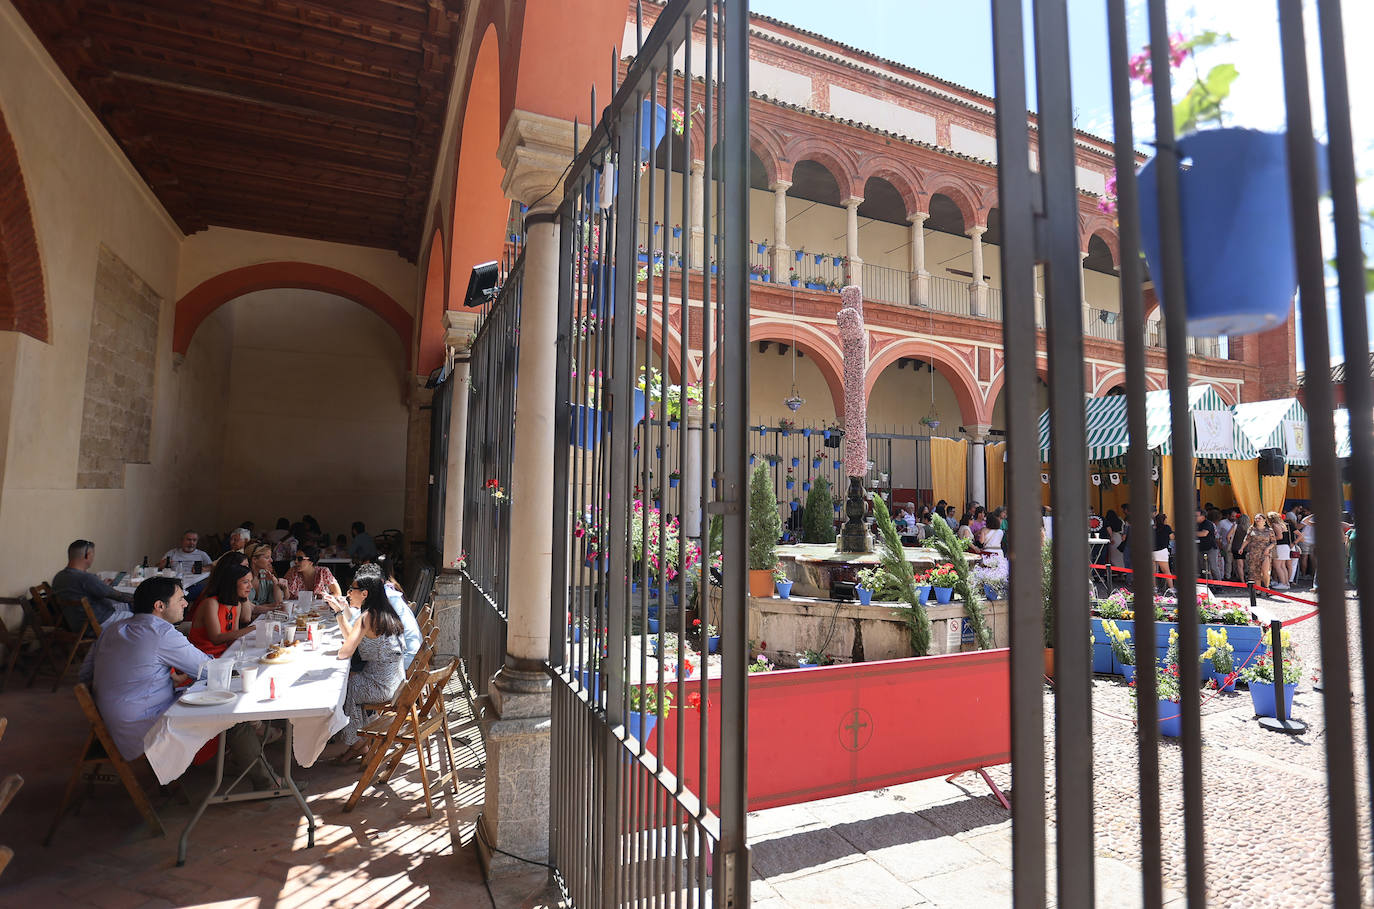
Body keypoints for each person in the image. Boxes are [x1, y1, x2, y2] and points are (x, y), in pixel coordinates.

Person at [80, 576, 276, 788]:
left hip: (114, 726)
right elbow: (208, 670)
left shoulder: (113, 628)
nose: (186, 603)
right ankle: (269, 782)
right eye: (181, 599)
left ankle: (240, 761)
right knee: (231, 712)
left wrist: (153, 681)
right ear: (159, 606)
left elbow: (84, 675)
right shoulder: (161, 632)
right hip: (146, 733)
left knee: (211, 696)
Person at [325, 575, 405, 764]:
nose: (348, 593)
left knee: (346, 687)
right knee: (351, 678)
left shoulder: (367, 617)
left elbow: (346, 652)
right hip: (396, 682)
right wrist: (339, 613)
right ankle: (360, 742)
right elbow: (354, 638)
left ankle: (355, 742)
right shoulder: (384, 611)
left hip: (381, 686)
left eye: (351, 589)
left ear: (365, 593)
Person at [53, 539, 133, 631]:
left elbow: (80, 589)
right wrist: (140, 598)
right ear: (87, 555)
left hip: (76, 624)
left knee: (125, 606)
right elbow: (119, 596)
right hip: (99, 623)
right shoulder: (86, 578)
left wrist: (100, 584)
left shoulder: (58, 577)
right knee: (138, 617)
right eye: (93, 555)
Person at [356, 560, 421, 669]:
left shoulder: (386, 599)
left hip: (405, 661)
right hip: (413, 655)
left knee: (356, 662)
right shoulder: (389, 592)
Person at [189, 564, 256, 657]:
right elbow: (216, 639)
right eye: (245, 582)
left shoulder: (237, 605)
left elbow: (232, 639)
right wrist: (253, 628)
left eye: (251, 582)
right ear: (232, 583)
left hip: (224, 654)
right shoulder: (211, 603)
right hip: (203, 657)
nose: (250, 586)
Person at [245, 543, 285, 614]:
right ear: (254, 559)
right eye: (267, 557)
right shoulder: (243, 578)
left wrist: (275, 581)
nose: (271, 560)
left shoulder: (265, 574)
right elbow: (246, 609)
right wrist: (267, 606)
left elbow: (278, 602)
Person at [1240, 513, 1276, 591]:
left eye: (1259, 518)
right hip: (1253, 553)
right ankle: (1258, 590)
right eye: (1256, 518)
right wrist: (1242, 548)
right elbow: (1247, 539)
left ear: (1264, 520)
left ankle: (1266, 588)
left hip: (1265, 553)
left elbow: (1273, 542)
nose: (1257, 520)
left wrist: (1268, 549)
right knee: (1255, 572)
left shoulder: (1269, 530)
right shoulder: (1252, 529)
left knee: (1265, 571)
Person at [1268, 511, 1292, 590]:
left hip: (1280, 547)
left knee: (1277, 566)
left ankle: (1283, 583)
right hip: (1285, 547)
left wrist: (1270, 539)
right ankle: (1286, 583)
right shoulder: (1282, 525)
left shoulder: (1275, 525)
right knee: (1282, 566)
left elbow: (1279, 537)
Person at [1152, 513, 1174, 591]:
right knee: (1166, 571)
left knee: (1153, 571)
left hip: (1152, 551)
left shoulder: (1152, 528)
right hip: (1162, 551)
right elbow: (1172, 537)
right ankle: (1171, 588)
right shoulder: (1167, 528)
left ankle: (1154, 587)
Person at [1196, 509, 1220, 580]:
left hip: (1211, 548)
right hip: (1201, 548)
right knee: (1205, 568)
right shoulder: (1196, 524)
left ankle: (1219, 585)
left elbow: (1204, 533)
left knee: (1213, 567)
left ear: (1203, 516)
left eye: (1196, 516)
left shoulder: (1208, 523)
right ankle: (1210, 585)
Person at [1217, 509, 1235, 584]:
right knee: (1228, 561)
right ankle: (1228, 576)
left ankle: (1234, 575)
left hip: (1236, 545)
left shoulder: (1237, 523)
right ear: (1228, 516)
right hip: (1225, 544)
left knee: (1236, 562)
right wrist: (1220, 544)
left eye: (1235, 516)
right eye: (1232, 516)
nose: (1234, 518)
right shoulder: (1222, 523)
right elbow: (1218, 533)